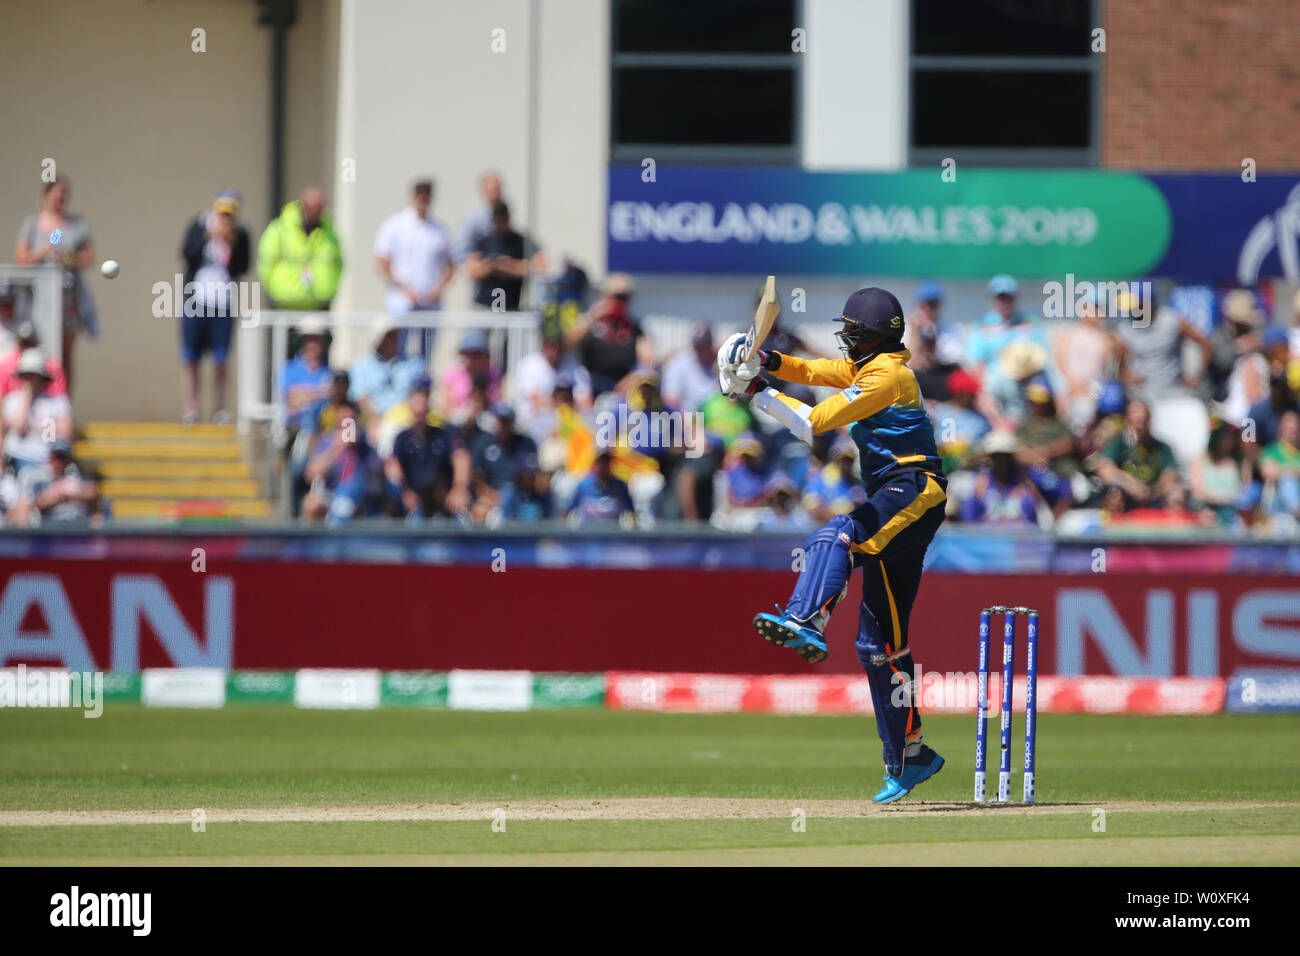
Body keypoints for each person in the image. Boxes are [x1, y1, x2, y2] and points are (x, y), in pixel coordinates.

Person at [718, 287, 947, 804]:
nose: (844, 340)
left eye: (851, 331)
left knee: (838, 533)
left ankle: (807, 618)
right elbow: (816, 371)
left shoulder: (888, 375)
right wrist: (766, 359)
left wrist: (755, 389)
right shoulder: (871, 369)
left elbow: (814, 423)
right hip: (898, 495)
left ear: (871, 335)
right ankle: (910, 755)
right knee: (878, 645)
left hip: (913, 487)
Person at [12, 178, 99, 392]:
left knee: (65, 351)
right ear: (45, 195)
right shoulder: (32, 224)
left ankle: (62, 402)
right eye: (57, 193)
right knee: (37, 349)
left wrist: (66, 257)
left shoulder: (75, 224)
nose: (61, 198)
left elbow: (88, 257)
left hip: (68, 298)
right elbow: (21, 259)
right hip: (38, 300)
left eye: (64, 194)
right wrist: (42, 251)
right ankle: (36, 401)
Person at [179, 188, 251, 424]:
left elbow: (243, 266)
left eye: (230, 214)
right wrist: (208, 237)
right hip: (196, 300)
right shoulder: (199, 226)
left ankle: (220, 408)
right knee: (191, 357)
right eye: (222, 212)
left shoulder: (240, 234)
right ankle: (192, 408)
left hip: (223, 303)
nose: (226, 218)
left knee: (221, 358)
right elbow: (186, 254)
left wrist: (232, 243)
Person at [373, 178, 454, 361]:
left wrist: (437, 290)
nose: (423, 200)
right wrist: (403, 288)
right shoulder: (395, 225)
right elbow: (381, 261)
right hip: (401, 302)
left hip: (429, 303)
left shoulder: (439, 230)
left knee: (426, 355)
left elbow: (450, 266)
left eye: (427, 196)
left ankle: (422, 387)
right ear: (413, 197)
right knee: (398, 350)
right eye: (420, 196)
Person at [385, 376, 472, 520]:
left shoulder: (444, 434)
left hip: (444, 501)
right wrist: (404, 491)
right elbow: (392, 466)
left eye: (422, 412)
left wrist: (460, 488)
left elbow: (461, 457)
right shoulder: (402, 438)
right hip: (416, 503)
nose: (419, 417)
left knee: (463, 518)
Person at [257, 186, 343, 311]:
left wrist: (330, 288)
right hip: (285, 303)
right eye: (313, 209)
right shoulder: (280, 228)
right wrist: (273, 288)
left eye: (320, 209)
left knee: (316, 329)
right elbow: (266, 261)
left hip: (319, 303)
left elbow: (338, 263)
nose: (317, 213)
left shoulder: (329, 232)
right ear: (303, 206)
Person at [566, 274, 653, 396]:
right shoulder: (591, 322)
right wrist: (592, 317)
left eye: (625, 298)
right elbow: (568, 343)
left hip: (624, 387)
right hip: (592, 385)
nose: (621, 302)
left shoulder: (635, 327)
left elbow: (647, 359)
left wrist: (630, 379)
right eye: (617, 297)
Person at [1094, 399, 1183, 511]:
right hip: (1126, 496)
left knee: (1176, 493)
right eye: (1135, 422)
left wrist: (1152, 491)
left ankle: (1172, 525)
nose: (1139, 428)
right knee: (1114, 494)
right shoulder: (1118, 443)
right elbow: (1105, 471)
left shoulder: (1162, 447)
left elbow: (1170, 476)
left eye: (1142, 421)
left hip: (1154, 495)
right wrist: (1131, 485)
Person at [3, 349, 74, 474]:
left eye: (33, 375)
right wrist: (27, 399)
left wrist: (36, 427)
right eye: (26, 375)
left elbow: (65, 431)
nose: (29, 380)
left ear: (41, 377)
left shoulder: (56, 401)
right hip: (21, 460)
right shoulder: (12, 400)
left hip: (50, 461)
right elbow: (19, 427)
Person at [466, 200, 546, 311]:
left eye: (503, 217)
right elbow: (471, 271)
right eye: (497, 218)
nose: (500, 222)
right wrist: (489, 266)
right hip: (485, 307)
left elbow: (542, 265)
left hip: (511, 307)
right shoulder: (484, 241)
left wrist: (511, 267)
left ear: (508, 217)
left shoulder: (520, 241)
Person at [661, 323, 719, 413]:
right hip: (688, 419)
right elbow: (670, 397)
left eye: (703, 346)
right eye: (697, 346)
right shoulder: (679, 363)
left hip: (716, 418)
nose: (699, 350)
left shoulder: (720, 363)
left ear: (710, 345)